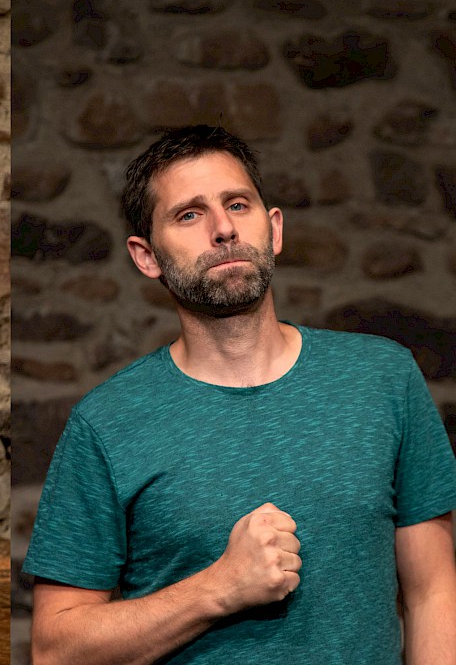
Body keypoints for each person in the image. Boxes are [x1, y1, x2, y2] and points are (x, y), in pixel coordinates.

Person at [24, 125, 456, 663]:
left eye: (237, 204)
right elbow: (55, 650)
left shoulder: (383, 377)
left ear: (273, 229)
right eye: (189, 215)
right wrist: (219, 589)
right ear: (146, 256)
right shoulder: (107, 422)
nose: (224, 228)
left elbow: (433, 593)